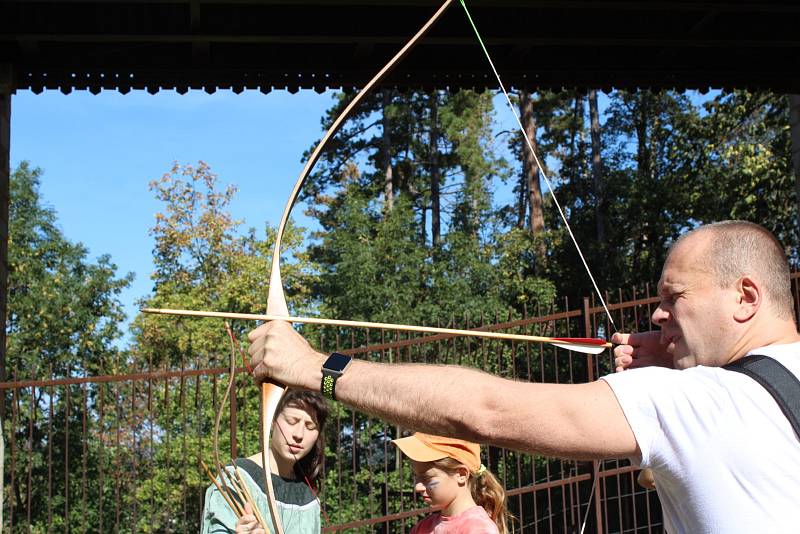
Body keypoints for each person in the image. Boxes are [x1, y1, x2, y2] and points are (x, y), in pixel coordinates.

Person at [247, 220, 800, 534]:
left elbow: (484, 411)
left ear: (745, 297)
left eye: (673, 298)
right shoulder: (743, 394)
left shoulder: (697, 401)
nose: (657, 317)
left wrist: (311, 366)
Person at [201, 389, 329, 534]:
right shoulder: (236, 478)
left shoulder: (308, 495)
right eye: (291, 422)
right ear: (272, 421)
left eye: (310, 426)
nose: (299, 434)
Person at [392, 432, 508, 534]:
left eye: (427, 478)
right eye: (416, 477)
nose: (417, 487)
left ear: (461, 475)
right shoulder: (423, 528)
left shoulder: (478, 528)